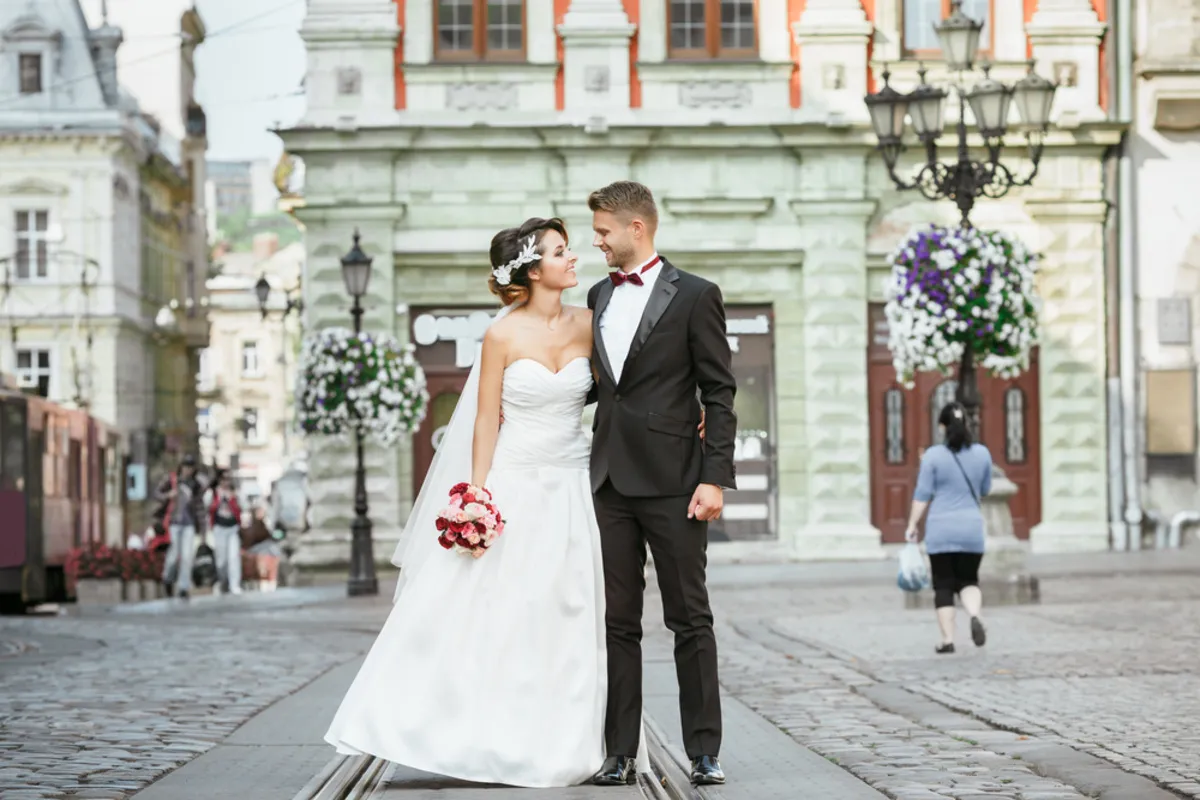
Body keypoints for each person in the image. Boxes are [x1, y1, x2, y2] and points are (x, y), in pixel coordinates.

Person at [324, 213, 718, 788]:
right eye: (561, 251)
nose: (575, 256)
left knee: (575, 613)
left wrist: (692, 414)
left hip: (578, 485)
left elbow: (631, 386)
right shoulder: (501, 335)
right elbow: (486, 420)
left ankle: (573, 739)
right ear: (533, 271)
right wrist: (475, 496)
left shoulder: (594, 319)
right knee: (502, 612)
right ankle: (473, 729)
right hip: (515, 481)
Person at [585, 181, 737, 786]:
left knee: (689, 619)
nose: (596, 241)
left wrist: (716, 479)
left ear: (636, 229)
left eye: (602, 231)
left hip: (677, 484)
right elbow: (600, 386)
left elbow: (718, 393)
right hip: (609, 482)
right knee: (617, 622)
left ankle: (704, 750)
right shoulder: (597, 294)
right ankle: (619, 751)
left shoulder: (697, 295)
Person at [904, 401, 993, 654]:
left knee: (943, 585)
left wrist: (912, 524)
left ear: (942, 426)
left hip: (941, 530)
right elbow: (985, 490)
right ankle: (974, 615)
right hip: (971, 528)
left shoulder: (932, 456)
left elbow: (922, 495)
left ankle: (947, 640)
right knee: (968, 580)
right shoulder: (982, 454)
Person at [155, 454, 205, 599]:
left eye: (190, 467)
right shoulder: (172, 480)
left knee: (187, 556)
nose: (187, 470)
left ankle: (184, 587)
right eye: (185, 466)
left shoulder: (196, 485)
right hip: (173, 523)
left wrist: (202, 531)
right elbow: (157, 493)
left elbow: (200, 508)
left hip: (189, 524)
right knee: (173, 554)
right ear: (181, 467)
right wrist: (168, 495)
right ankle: (167, 579)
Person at [208, 470, 243, 595]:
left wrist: (234, 498)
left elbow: (242, 507)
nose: (226, 482)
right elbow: (208, 508)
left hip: (232, 528)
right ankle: (223, 581)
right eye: (223, 479)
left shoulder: (235, 493)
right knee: (221, 560)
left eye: (228, 479)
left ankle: (235, 585)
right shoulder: (213, 493)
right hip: (219, 528)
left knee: (234, 557)